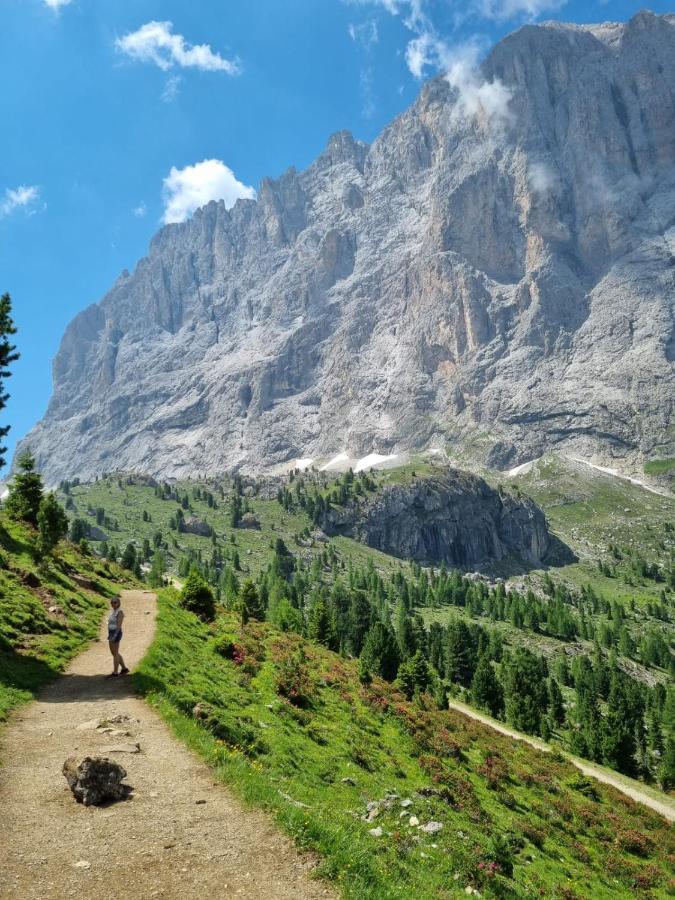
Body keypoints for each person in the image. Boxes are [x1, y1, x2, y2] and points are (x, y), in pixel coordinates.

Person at [106, 596, 129, 677]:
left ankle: (115, 672)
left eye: (115, 602)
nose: (113, 604)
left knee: (115, 653)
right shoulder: (112, 611)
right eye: (112, 602)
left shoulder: (120, 612)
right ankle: (124, 669)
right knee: (113, 652)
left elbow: (119, 625)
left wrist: (115, 635)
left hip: (116, 632)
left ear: (119, 603)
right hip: (111, 632)